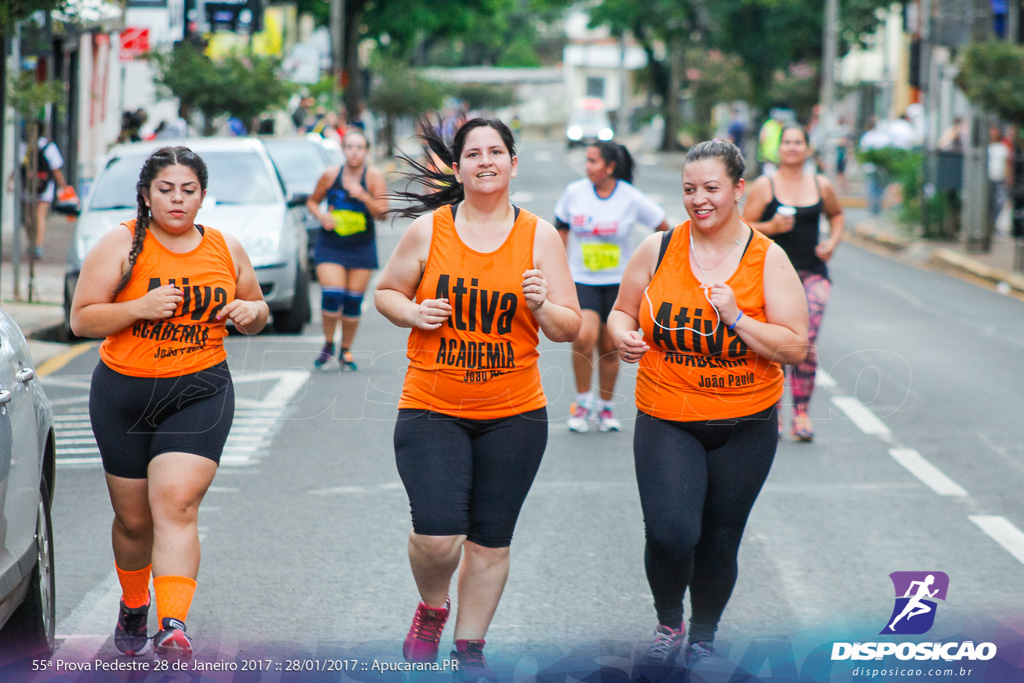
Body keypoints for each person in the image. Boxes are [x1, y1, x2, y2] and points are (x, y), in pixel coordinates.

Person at [375, 118, 580, 681]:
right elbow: (386, 292)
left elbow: (569, 326)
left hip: (513, 414)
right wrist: (414, 313)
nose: (485, 161)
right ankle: (432, 609)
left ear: (514, 163)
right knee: (438, 539)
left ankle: (470, 650)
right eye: (473, 153)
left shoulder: (539, 236)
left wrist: (541, 305)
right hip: (432, 406)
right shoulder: (429, 232)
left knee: (489, 544)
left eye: (496, 152)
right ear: (458, 167)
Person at [607, 139, 808, 676]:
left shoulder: (768, 258)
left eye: (711, 189)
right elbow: (622, 312)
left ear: (739, 190)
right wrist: (623, 335)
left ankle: (702, 637)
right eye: (689, 190)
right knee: (672, 533)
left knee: (721, 539)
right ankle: (668, 623)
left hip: (747, 421)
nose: (699, 200)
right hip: (667, 413)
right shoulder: (658, 249)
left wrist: (738, 318)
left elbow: (794, 345)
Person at [69, 146, 269, 661]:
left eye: (188, 190)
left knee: (176, 502)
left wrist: (251, 312)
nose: (177, 200)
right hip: (123, 394)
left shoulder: (225, 248)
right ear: (146, 195)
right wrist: (139, 307)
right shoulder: (120, 245)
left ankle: (173, 624)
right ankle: (134, 603)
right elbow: (82, 319)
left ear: (203, 196)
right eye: (166, 190)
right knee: (134, 521)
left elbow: (258, 305)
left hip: (199, 390)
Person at [554, 141, 668, 433]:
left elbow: (664, 228)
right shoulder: (574, 193)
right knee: (583, 337)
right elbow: (561, 228)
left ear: (610, 167)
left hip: (620, 283)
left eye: (593, 161)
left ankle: (605, 407)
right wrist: (558, 268)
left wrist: (658, 268)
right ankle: (582, 402)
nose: (587, 166)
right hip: (582, 279)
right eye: (587, 161)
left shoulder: (629, 197)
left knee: (609, 346)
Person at [743, 124, 845, 441]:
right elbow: (743, 226)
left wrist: (832, 243)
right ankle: (771, 413)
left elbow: (837, 216)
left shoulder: (820, 184)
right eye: (786, 142)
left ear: (807, 149)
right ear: (779, 149)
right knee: (774, 345)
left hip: (812, 273)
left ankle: (801, 415)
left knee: (805, 343)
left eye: (797, 142)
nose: (791, 148)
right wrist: (771, 226)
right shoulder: (765, 185)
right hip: (771, 277)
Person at [306, 129, 388, 370]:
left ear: (367, 151)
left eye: (359, 147)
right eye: (349, 147)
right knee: (332, 295)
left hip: (361, 247)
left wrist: (363, 196)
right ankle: (329, 342)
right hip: (331, 245)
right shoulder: (330, 175)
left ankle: (346, 350)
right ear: (343, 150)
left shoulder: (373, 177)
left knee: (353, 302)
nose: (354, 152)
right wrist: (321, 216)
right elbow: (312, 201)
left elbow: (383, 214)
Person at [26, 130, 70, 260]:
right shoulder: (48, 146)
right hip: (44, 186)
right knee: (39, 216)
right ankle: (37, 246)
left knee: (30, 217)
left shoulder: (27, 145)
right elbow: (56, 169)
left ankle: (33, 244)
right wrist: (63, 186)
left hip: (29, 186)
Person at [858, 117, 891, 215]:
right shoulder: (882, 137)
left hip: (870, 168)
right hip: (881, 167)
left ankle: (873, 209)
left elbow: (863, 152)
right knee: (880, 188)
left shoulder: (867, 137)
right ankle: (878, 209)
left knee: (872, 188)